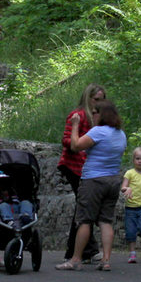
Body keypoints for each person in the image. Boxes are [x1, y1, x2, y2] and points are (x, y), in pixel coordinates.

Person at [55, 99, 126, 272]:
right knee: (105, 220)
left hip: (94, 180)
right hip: (113, 180)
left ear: (102, 115)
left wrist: (75, 126)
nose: (92, 115)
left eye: (94, 112)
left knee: (85, 220)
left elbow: (75, 145)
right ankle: (106, 260)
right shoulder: (120, 134)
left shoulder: (98, 132)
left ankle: (76, 259)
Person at [58, 84, 106, 262]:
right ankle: (88, 250)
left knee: (84, 207)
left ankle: (78, 250)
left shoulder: (98, 118)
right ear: (88, 98)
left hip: (88, 168)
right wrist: (80, 143)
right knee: (85, 206)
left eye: (102, 100)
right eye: (96, 99)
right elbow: (67, 140)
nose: (99, 103)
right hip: (73, 166)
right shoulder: (77, 115)